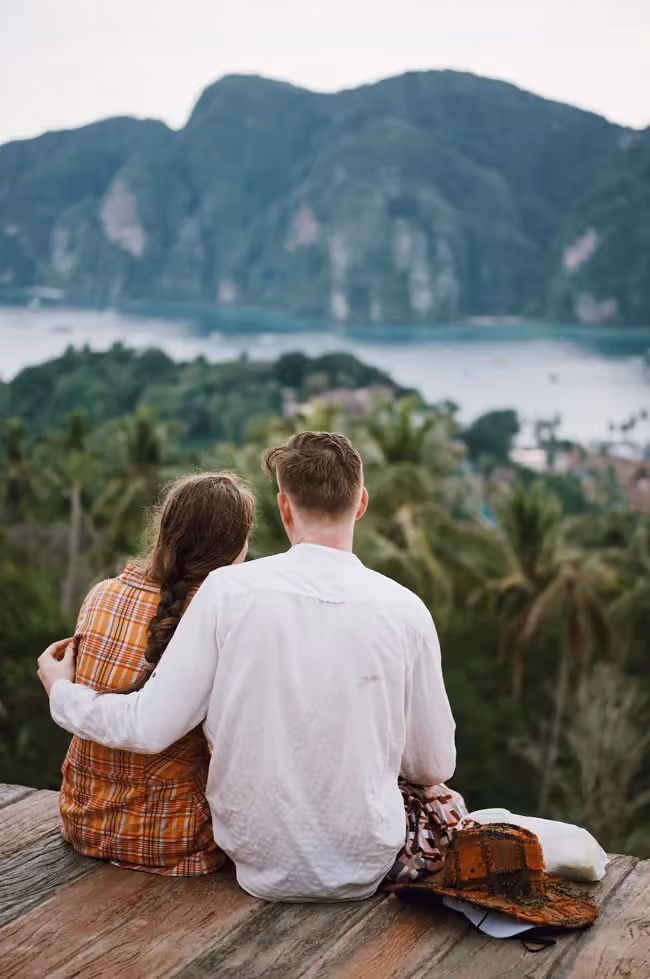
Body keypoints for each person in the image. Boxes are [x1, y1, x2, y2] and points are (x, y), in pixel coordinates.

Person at [39, 432, 465, 901]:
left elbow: (148, 727)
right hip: (367, 859)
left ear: (284, 507)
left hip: (253, 856)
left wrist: (64, 692)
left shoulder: (227, 592)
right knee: (442, 797)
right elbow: (432, 763)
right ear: (361, 503)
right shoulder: (405, 608)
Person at [53, 472, 254, 875]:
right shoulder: (223, 619)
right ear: (235, 546)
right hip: (175, 837)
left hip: (81, 818)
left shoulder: (102, 594)